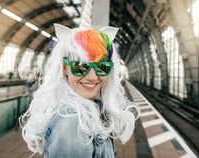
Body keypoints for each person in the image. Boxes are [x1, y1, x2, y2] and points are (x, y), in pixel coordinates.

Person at [20, 0, 139, 157]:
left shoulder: (92, 108)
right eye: (80, 66)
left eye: (102, 67)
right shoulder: (72, 122)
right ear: (65, 68)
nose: (91, 77)